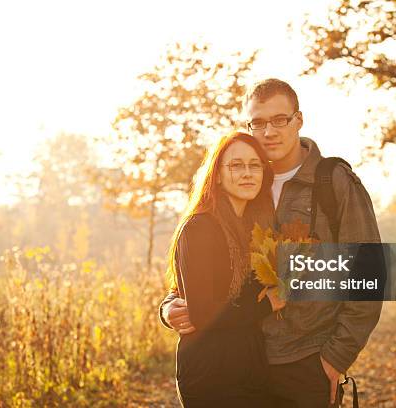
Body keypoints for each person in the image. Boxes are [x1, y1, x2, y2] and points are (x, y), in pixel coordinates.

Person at [161, 78, 383, 407]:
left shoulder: (333, 183)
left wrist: (335, 358)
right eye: (259, 123)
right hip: (244, 361)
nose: (270, 132)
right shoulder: (246, 187)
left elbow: (368, 276)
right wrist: (170, 306)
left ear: (299, 120)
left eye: (280, 120)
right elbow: (208, 265)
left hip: (307, 359)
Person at [168, 131, 286, 407]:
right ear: (217, 174)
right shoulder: (200, 227)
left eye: (255, 165)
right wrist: (268, 303)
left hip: (248, 365)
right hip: (211, 371)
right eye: (236, 165)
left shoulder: (254, 228)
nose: (247, 173)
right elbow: (203, 313)